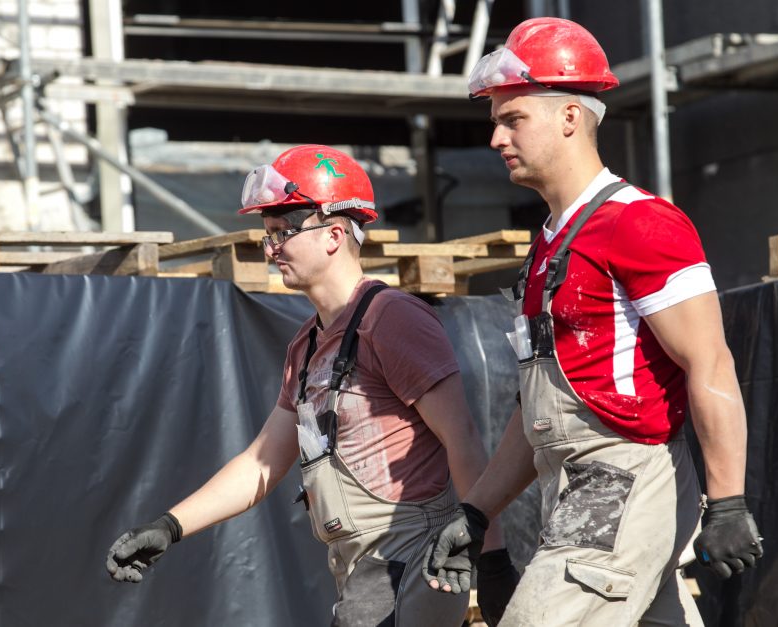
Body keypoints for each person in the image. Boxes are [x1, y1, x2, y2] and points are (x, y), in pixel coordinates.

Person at [422, 17, 763, 626]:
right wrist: (476, 512)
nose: (497, 139)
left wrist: (728, 500)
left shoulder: (640, 223)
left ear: (570, 118)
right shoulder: (550, 245)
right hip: (574, 487)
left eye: (512, 118)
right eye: (495, 122)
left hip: (624, 477)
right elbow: (538, 412)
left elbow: (709, 360)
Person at [105, 144, 519, 626]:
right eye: (267, 234)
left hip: (409, 559)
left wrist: (491, 561)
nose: (271, 247)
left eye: (284, 232)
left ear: (334, 234)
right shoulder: (307, 345)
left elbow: (462, 440)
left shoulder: (392, 319)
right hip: (360, 565)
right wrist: (169, 527)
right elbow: (261, 464)